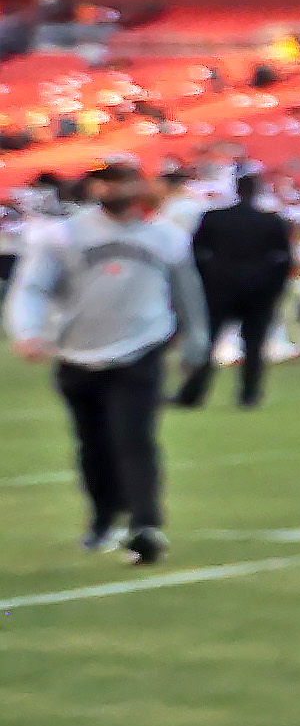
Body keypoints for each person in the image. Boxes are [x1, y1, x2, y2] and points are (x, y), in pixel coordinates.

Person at [10, 158, 201, 566]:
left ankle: (145, 523)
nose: (113, 190)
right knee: (92, 444)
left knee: (133, 438)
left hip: (141, 348)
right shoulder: (62, 236)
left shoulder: (166, 237)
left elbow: (188, 294)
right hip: (77, 353)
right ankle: (102, 516)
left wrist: (195, 343)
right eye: (105, 182)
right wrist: (27, 331)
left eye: (122, 180)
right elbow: (32, 288)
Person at [186, 166, 294, 407]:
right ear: (256, 191)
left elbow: (195, 253)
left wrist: (206, 280)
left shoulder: (214, 218)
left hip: (218, 289)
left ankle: (192, 394)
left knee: (207, 343)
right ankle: (249, 395)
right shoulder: (271, 221)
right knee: (254, 345)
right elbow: (284, 260)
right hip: (258, 290)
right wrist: (273, 289)